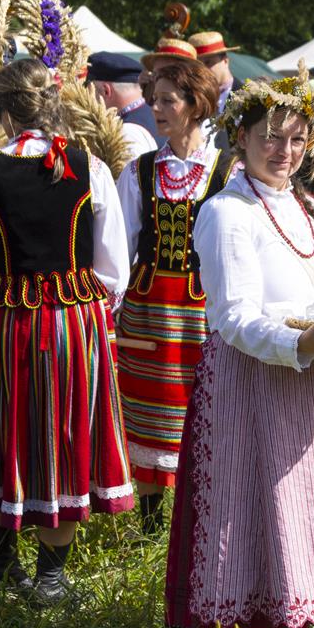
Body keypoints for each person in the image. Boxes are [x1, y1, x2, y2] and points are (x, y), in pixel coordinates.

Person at [166, 68, 314, 628]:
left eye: (298, 139)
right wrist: (302, 342)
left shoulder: (309, 209)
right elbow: (231, 317)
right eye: (271, 137)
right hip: (245, 390)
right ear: (242, 138)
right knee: (235, 526)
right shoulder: (226, 212)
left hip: (307, 391)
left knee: (281, 529)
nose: (285, 151)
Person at [0, 58, 133, 602]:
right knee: (63, 432)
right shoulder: (89, 167)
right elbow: (113, 266)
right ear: (54, 102)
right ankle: (50, 576)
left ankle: (1, 562)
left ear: (1, 111)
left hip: (6, 321)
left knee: (4, 427)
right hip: (74, 320)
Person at [114, 56, 229, 532]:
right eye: (154, 99)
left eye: (167, 100)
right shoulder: (140, 171)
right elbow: (118, 246)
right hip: (147, 309)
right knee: (146, 410)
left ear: (196, 104)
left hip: (201, 312)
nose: (156, 109)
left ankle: (198, 519)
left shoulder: (227, 171)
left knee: (201, 408)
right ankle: (150, 524)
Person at [87, 51, 160, 157]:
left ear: (106, 91)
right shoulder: (158, 116)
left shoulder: (127, 133)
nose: (89, 99)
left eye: (90, 92)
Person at [187, 31, 238, 113]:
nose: (202, 70)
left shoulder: (247, 95)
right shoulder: (189, 98)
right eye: (197, 65)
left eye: (208, 62)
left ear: (225, 61)